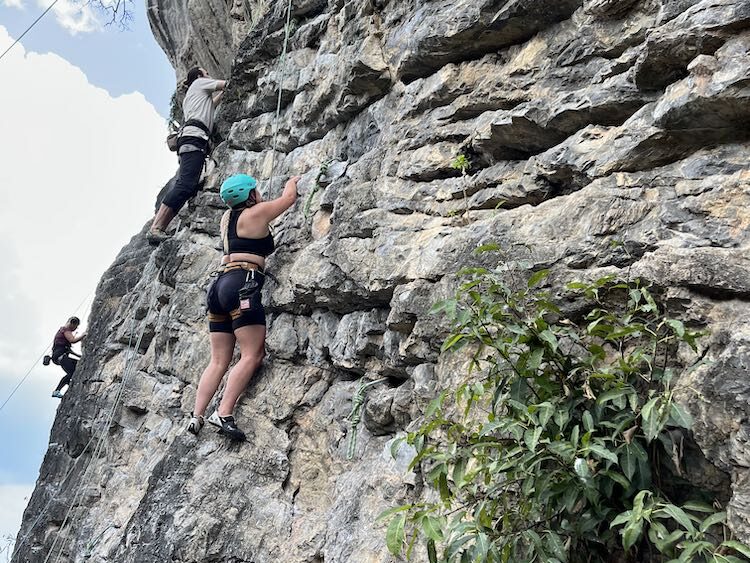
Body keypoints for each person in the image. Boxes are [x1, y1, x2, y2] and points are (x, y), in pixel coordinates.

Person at [187, 173, 300, 441]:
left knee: (218, 360)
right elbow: (289, 199)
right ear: (250, 195)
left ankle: (196, 415)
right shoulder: (257, 212)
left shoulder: (227, 219)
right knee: (252, 354)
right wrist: (293, 180)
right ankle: (224, 413)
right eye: (256, 191)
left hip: (218, 287)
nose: (259, 194)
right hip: (242, 284)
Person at [148, 67, 227, 244]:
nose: (209, 75)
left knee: (188, 184)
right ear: (199, 76)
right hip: (195, 139)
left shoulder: (192, 97)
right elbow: (225, 84)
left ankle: (158, 227)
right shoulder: (200, 83)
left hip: (190, 139)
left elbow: (209, 107)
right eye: (206, 73)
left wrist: (221, 96)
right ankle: (156, 228)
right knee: (185, 184)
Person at [44, 316, 86, 398]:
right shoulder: (66, 330)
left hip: (59, 356)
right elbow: (72, 340)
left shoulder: (62, 331)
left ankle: (68, 382)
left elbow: (68, 351)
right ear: (72, 323)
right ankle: (57, 391)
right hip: (60, 356)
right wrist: (83, 335)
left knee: (78, 365)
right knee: (71, 372)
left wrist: (80, 356)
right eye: (76, 326)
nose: (76, 328)